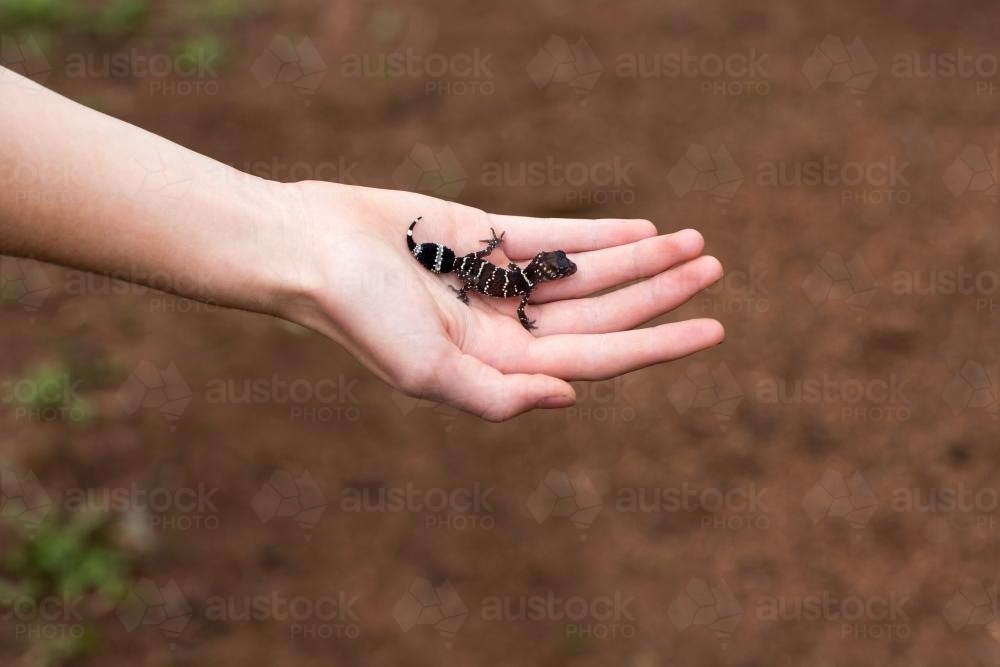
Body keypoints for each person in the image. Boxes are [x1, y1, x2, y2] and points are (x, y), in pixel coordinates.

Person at [0, 66, 724, 421]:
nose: (557, 268)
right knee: (461, 272)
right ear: (542, 268)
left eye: (554, 268)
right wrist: (487, 283)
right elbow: (509, 287)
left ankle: (424, 256)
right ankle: (420, 254)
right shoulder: (519, 281)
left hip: (471, 273)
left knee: (465, 273)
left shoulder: (514, 277)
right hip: (468, 274)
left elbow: (500, 277)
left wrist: (487, 269)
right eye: (556, 265)